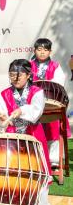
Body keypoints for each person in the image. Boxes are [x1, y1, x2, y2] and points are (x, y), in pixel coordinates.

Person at [0, 59, 55, 205]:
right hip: (12, 140)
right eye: (12, 74)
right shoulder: (4, 94)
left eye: (19, 74)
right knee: (11, 175)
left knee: (38, 177)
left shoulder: (37, 92)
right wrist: (1, 119)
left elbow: (35, 112)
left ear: (28, 75)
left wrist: (21, 110)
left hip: (33, 137)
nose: (16, 78)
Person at [30, 38, 69, 167]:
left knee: (53, 127)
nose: (42, 52)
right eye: (39, 49)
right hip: (34, 104)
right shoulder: (28, 65)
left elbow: (59, 83)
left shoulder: (55, 66)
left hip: (51, 103)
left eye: (45, 50)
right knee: (32, 127)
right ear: (34, 50)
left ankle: (53, 160)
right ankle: (34, 157)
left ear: (50, 51)